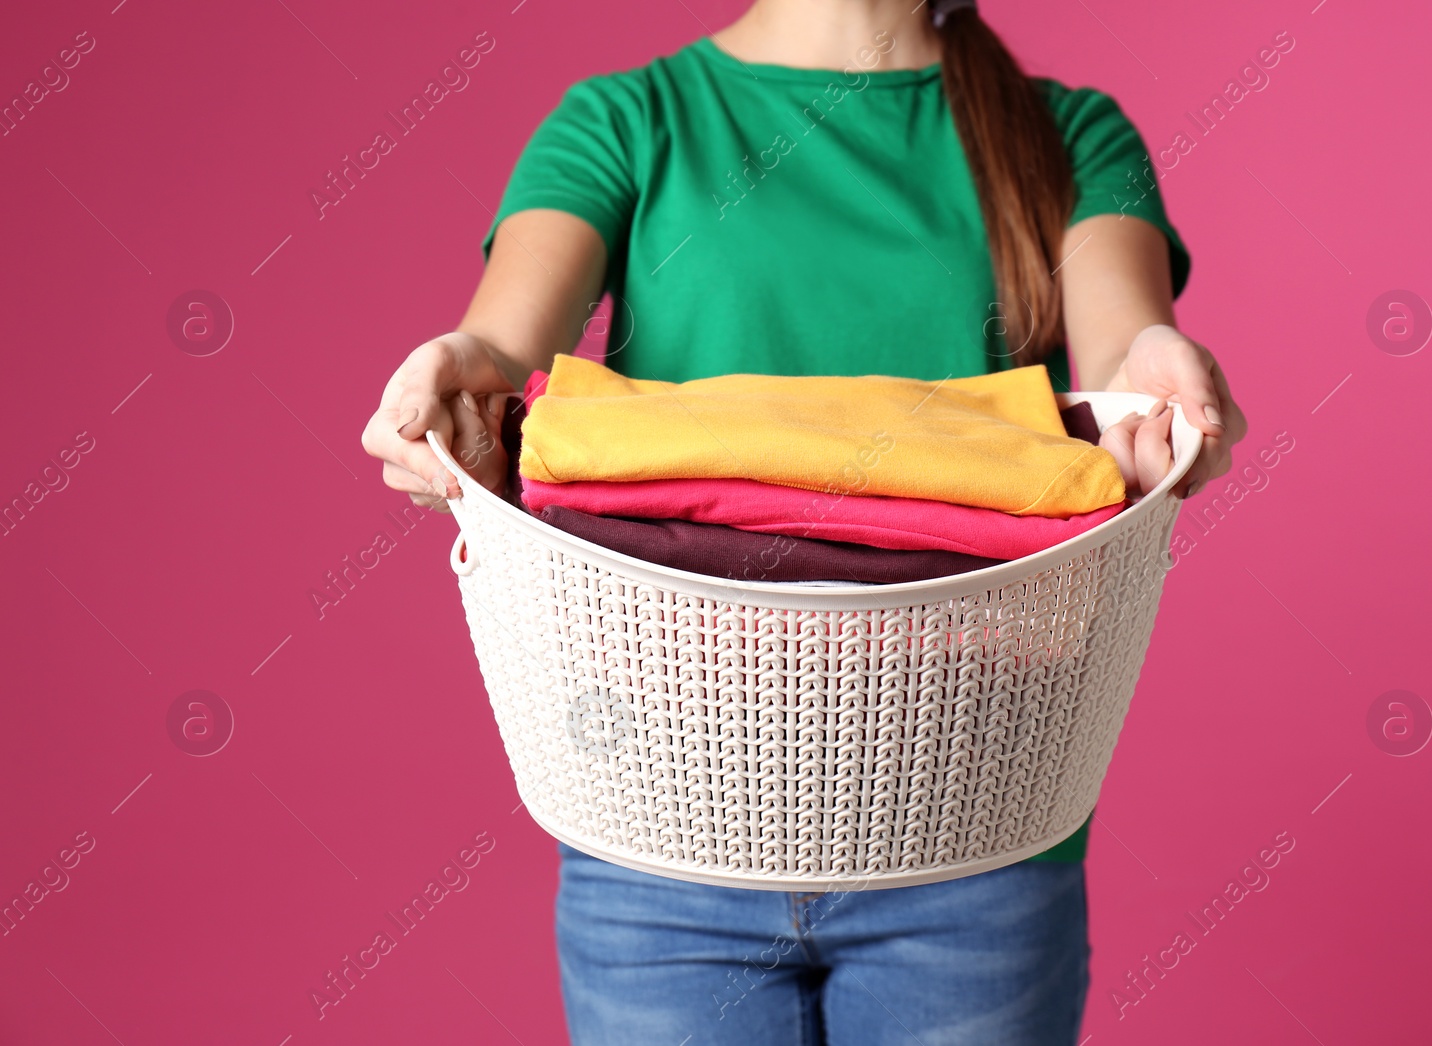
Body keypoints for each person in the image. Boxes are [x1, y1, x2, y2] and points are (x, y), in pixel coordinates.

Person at [363, 0, 1247, 1041]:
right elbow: (500, 349)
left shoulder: (1073, 133)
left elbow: (1117, 374)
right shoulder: (627, 119)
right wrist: (456, 394)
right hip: (661, 833)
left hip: (973, 825)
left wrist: (1154, 395)